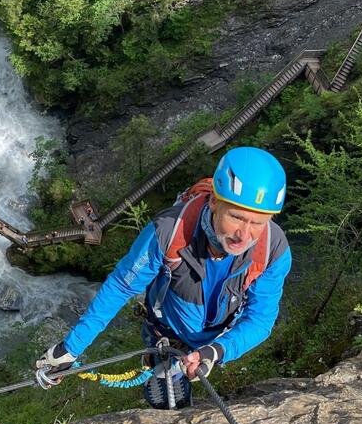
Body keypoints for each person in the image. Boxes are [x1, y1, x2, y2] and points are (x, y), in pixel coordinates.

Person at [36, 147, 293, 408]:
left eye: (258, 223)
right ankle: (165, 379)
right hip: (167, 335)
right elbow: (121, 287)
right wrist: (70, 349)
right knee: (168, 398)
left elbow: (260, 319)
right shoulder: (169, 232)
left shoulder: (272, 249)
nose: (244, 234)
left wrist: (215, 351)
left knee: (178, 394)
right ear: (214, 202)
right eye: (236, 217)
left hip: (217, 338)